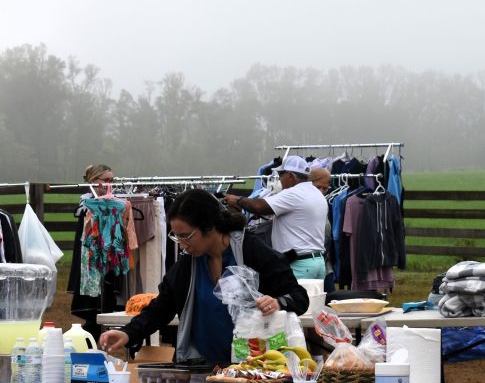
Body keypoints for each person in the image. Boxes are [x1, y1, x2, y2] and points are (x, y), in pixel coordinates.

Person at [98, 189, 308, 365]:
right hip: (202, 372)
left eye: (186, 236)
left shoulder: (252, 251)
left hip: (254, 372)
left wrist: (277, 302)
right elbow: (160, 308)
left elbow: (299, 297)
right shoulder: (188, 264)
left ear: (210, 227)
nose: (182, 243)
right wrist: (127, 333)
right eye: (176, 236)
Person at [223, 155, 329, 280]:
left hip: (299, 265)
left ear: (290, 176)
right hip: (317, 262)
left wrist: (237, 200)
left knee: (291, 299)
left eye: (280, 176)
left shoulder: (293, 193)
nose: (280, 180)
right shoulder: (316, 194)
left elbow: (259, 206)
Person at [68, 163, 116, 341]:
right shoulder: (86, 206)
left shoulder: (114, 202)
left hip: (107, 264)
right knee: (93, 313)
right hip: (90, 266)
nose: (110, 184)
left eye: (112, 180)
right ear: (94, 181)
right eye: (106, 180)